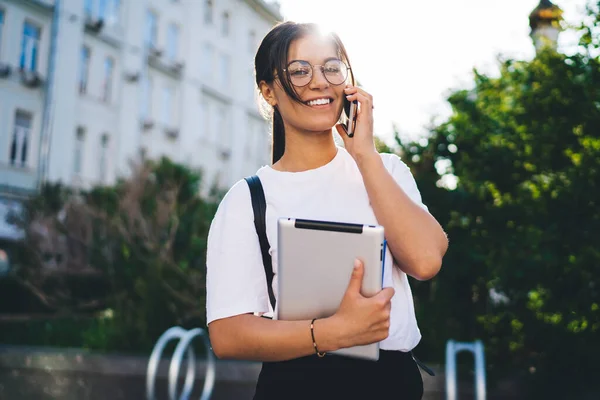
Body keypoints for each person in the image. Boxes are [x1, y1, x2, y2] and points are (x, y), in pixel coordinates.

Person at [205, 21, 449, 400]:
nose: (319, 82)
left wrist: (364, 155)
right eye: (300, 71)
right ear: (269, 91)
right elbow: (227, 334)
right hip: (297, 385)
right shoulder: (248, 198)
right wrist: (333, 332)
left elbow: (426, 260)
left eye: (331, 68)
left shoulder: (385, 170)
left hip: (390, 384)